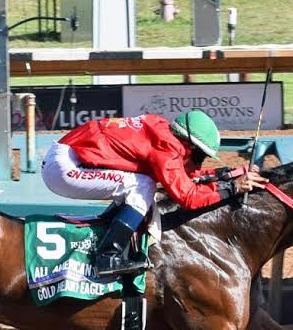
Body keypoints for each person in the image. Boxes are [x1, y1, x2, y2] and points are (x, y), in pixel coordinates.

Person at [41, 109, 267, 278]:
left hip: (69, 157)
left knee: (140, 183)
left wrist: (229, 174)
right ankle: (107, 256)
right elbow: (187, 196)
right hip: (65, 168)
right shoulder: (165, 148)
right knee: (142, 185)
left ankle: (111, 236)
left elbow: (182, 175)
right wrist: (234, 188)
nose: (199, 162)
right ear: (189, 145)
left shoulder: (163, 133)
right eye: (200, 156)